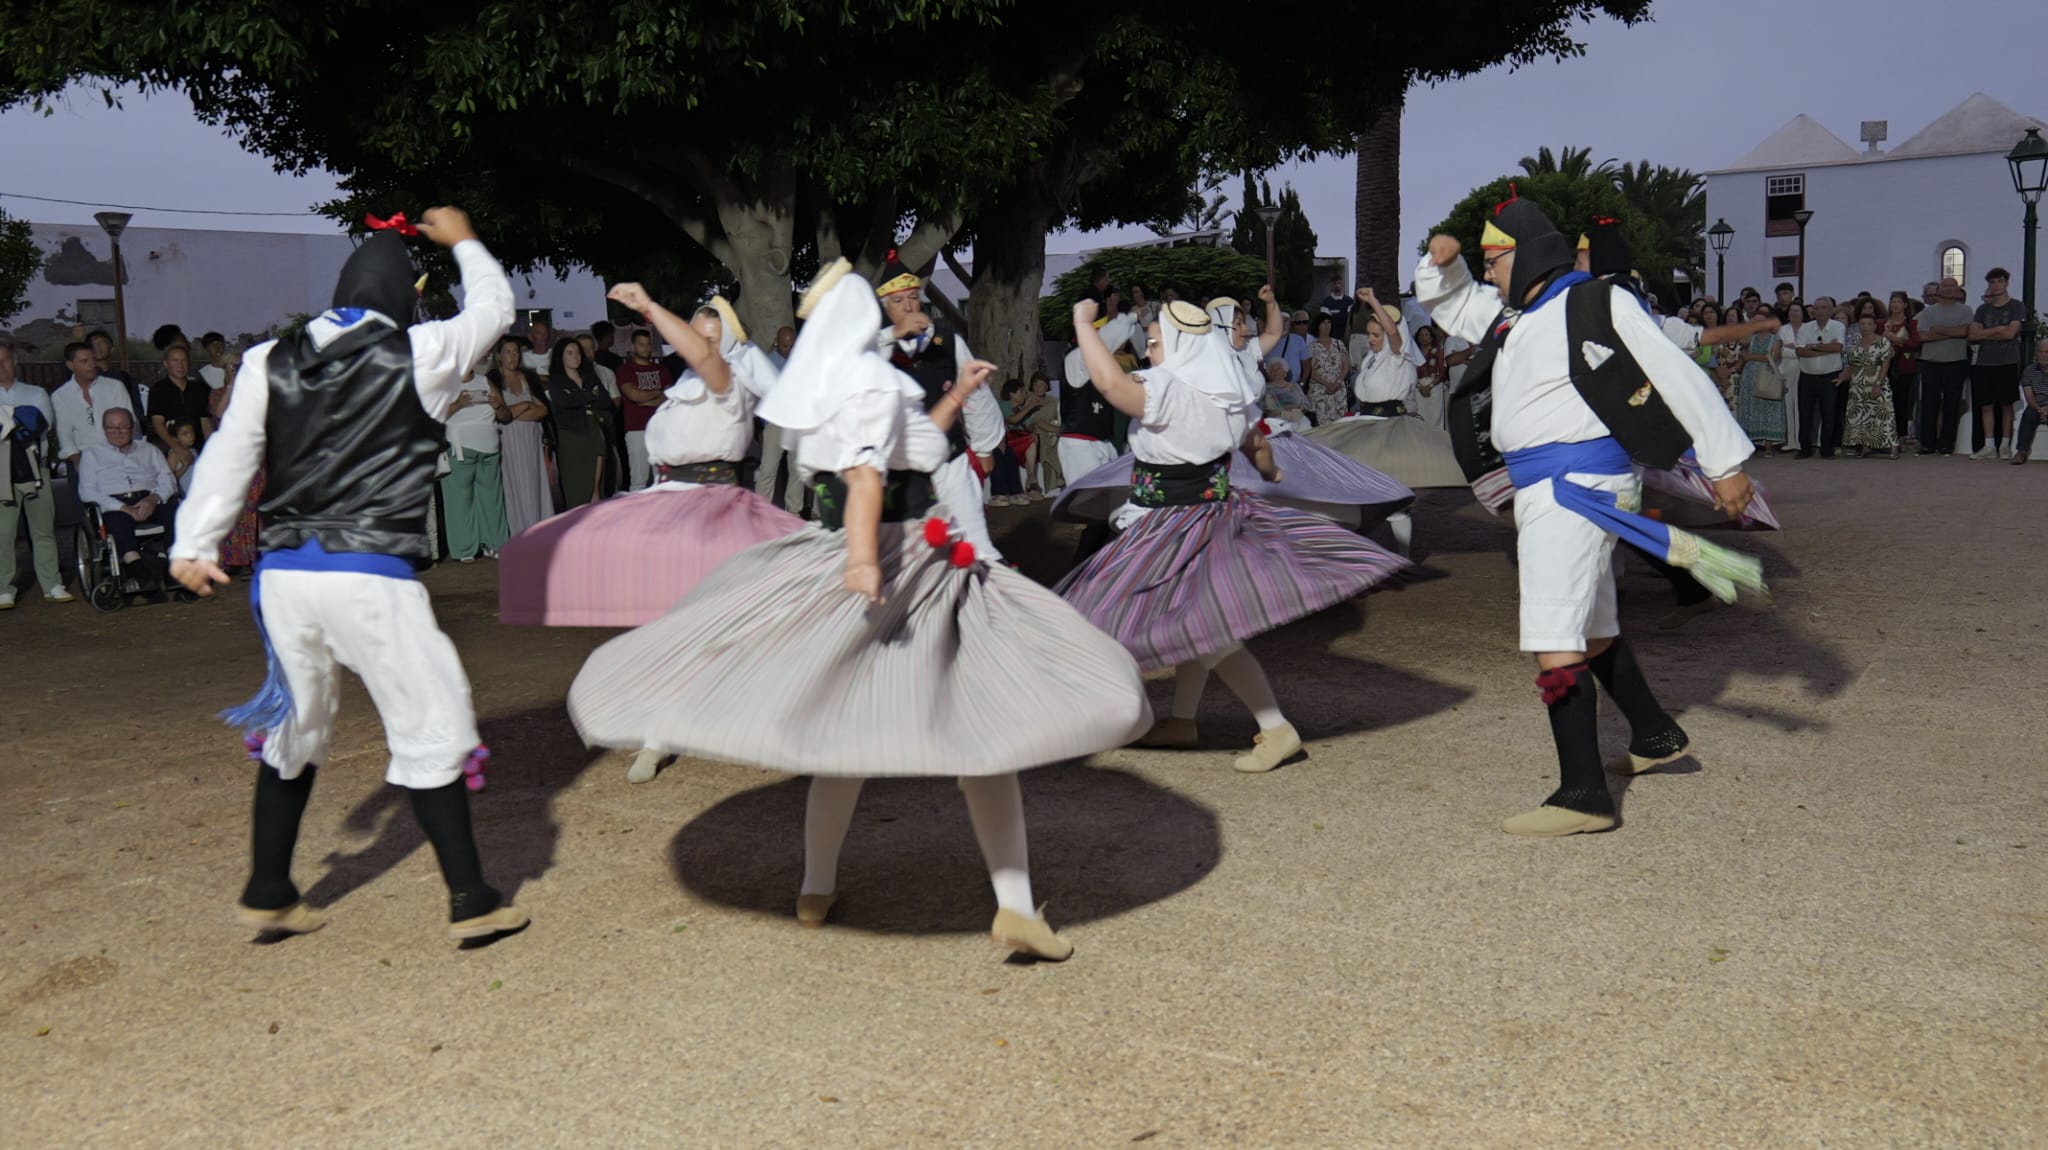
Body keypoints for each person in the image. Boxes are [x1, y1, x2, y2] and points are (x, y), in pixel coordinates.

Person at [568, 261, 1150, 961]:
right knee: (977, 724)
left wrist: (956, 396)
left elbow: (905, 450)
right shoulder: (870, 382)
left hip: (882, 551)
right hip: (903, 560)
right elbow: (869, 474)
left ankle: (820, 888)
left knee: (844, 725)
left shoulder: (836, 388)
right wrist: (864, 561)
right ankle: (1012, 905)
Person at [169, 205, 527, 943]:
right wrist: (464, 241)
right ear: (404, 295)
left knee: (296, 725)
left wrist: (194, 541)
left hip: (287, 581)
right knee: (430, 721)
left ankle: (270, 886)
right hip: (370, 577)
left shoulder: (271, 358)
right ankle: (471, 900)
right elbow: (495, 307)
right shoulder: (422, 349)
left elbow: (231, 453)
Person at [1416, 195, 1764, 837]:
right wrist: (1443, 258)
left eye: (1494, 260)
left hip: (1571, 488)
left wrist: (1725, 462)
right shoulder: (1518, 314)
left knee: (1554, 635)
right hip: (1564, 490)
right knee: (1594, 625)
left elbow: (1673, 369)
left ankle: (1583, 792)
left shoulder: (1598, 300)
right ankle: (1655, 734)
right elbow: (1452, 304)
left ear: (1524, 255)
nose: (1489, 272)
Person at [1055, 296, 1407, 774]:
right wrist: (1272, 474)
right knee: (1196, 621)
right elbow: (1257, 444)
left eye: (1156, 343)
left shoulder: (1169, 390)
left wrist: (1083, 324)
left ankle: (1277, 728)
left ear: (1181, 347)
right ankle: (1182, 719)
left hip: (1174, 525)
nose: (1150, 351)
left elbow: (1110, 384)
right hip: (1207, 515)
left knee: (1203, 631)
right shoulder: (1224, 394)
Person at [874, 250, 1005, 559]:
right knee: (907, 551)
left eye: (912, 297)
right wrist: (892, 335)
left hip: (951, 459)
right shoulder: (873, 349)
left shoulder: (947, 342)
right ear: (884, 308)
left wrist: (984, 448)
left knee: (972, 543)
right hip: (899, 468)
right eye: (897, 301)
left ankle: (981, 598)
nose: (908, 306)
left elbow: (976, 394)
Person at [1, 343, 72, 607]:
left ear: (15, 361)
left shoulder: (36, 393)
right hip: (1, 470)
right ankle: (3, 587)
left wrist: (8, 421)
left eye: (5, 360)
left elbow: (40, 424)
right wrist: (18, 418)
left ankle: (51, 583)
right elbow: (24, 422)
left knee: (43, 528)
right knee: (3, 533)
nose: (1, 367)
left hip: (35, 466)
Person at [77, 408, 178, 580]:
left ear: (132, 428)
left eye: (123, 426)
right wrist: (123, 507)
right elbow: (86, 492)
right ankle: (135, 565)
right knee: (116, 519)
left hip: (149, 498)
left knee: (175, 510)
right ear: (104, 429)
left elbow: (168, 481)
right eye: (112, 427)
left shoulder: (149, 450)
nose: (118, 432)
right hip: (114, 502)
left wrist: (154, 498)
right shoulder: (91, 454)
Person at [486, 336, 554, 536]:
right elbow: (501, 415)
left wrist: (515, 412)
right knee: (513, 482)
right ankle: (519, 530)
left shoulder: (529, 378)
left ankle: (538, 526)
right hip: (507, 439)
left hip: (530, 438)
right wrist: (525, 405)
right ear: (499, 355)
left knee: (534, 480)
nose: (513, 356)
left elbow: (542, 410)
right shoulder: (493, 379)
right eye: (508, 351)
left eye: (516, 352)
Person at [549, 337, 619, 509]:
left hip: (594, 431)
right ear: (561, 356)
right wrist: (589, 396)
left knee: (597, 486)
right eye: (570, 353)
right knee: (575, 486)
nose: (576, 356)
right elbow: (565, 402)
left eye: (578, 352)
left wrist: (580, 398)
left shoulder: (590, 377)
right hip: (571, 436)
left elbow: (605, 401)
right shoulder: (557, 381)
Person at [1968, 268, 2026, 459]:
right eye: (1992, 282)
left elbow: (2011, 333)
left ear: (2006, 283)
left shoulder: (2016, 306)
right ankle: (1989, 445)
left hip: (2007, 360)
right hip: (1985, 362)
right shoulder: (1982, 309)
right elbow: (1973, 335)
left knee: (2006, 404)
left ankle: (2005, 444)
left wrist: (1987, 332)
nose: (1996, 285)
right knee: (1986, 404)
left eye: (1999, 281)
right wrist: (1996, 330)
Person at [50, 340, 136, 468]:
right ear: (70, 365)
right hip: (81, 457)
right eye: (84, 361)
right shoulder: (60, 395)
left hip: (119, 454)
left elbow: (129, 423)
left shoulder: (114, 387)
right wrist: (78, 462)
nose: (92, 365)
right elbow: (64, 434)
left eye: (93, 360)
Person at [1792, 299, 1847, 458]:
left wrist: (1814, 346)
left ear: (1830, 311)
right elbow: (1800, 351)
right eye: (1816, 308)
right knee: (1805, 414)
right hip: (1807, 376)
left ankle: (1827, 449)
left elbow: (1838, 347)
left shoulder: (1838, 327)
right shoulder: (1805, 328)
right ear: (1812, 311)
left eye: (1823, 308)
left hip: (1830, 376)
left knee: (1829, 414)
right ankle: (1805, 448)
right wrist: (1826, 349)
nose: (1820, 311)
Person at [1839, 313, 1898, 459]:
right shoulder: (1854, 342)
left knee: (1885, 415)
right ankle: (1864, 446)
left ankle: (1894, 448)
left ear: (1874, 326)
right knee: (1861, 415)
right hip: (1857, 385)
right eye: (1862, 324)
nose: (1865, 327)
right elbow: (1852, 365)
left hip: (1878, 382)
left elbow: (1886, 364)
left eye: (1868, 324)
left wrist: (1878, 383)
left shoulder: (1883, 342)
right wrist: (1842, 377)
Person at [147, 344, 215, 450]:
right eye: (175, 361)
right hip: (169, 447)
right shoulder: (158, 389)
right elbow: (157, 424)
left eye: (184, 360)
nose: (180, 365)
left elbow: (205, 422)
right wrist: (176, 447)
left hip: (197, 446)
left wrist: (212, 448)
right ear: (166, 364)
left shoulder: (199, 388)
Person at [2010, 340, 2048, 465]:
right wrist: (2039, 409)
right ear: (2036, 353)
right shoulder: (2029, 370)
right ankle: (2021, 452)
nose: (2043, 355)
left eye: (2046, 352)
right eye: (2041, 352)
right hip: (2037, 405)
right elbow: (2029, 395)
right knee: (2028, 415)